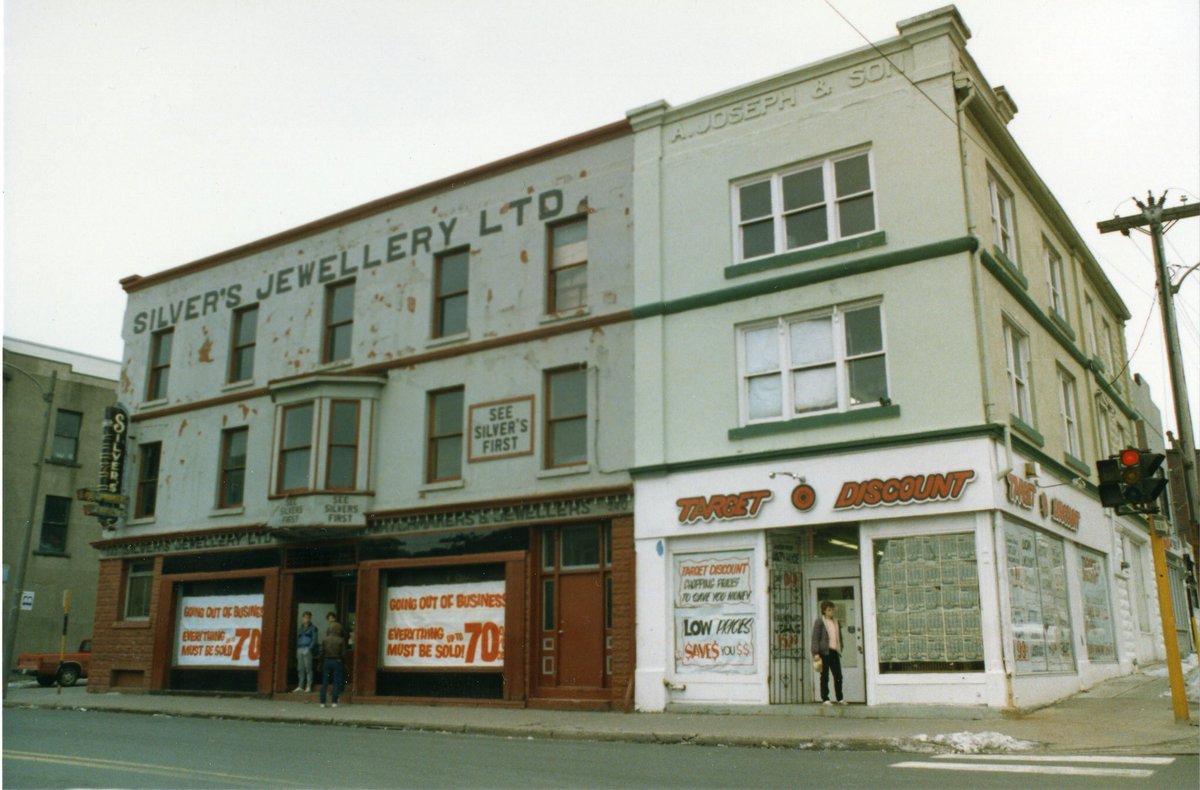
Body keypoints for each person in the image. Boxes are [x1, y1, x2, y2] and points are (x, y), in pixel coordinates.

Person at [810, 600, 846, 705]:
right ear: (824, 611)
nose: (831, 612)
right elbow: (815, 638)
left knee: (838, 675)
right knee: (825, 675)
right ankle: (825, 698)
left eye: (832, 609)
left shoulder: (836, 621)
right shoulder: (819, 622)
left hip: (834, 651)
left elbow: (839, 636)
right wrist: (816, 653)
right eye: (829, 610)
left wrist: (841, 647)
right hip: (824, 652)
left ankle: (840, 698)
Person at [319, 622, 346, 708]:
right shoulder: (341, 640)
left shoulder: (325, 639)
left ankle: (322, 702)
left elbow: (321, 653)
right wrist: (343, 663)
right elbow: (343, 654)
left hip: (327, 661)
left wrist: (320, 662)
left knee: (325, 682)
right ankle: (334, 702)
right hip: (337, 662)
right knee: (336, 682)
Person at [294, 611, 319, 693]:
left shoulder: (313, 628)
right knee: (300, 668)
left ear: (310, 618)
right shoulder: (300, 628)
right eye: (304, 617)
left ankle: (308, 686)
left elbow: (314, 639)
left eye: (307, 617)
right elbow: (297, 637)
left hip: (307, 648)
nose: (306, 619)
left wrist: (310, 648)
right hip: (300, 648)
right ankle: (300, 686)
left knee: (308, 668)